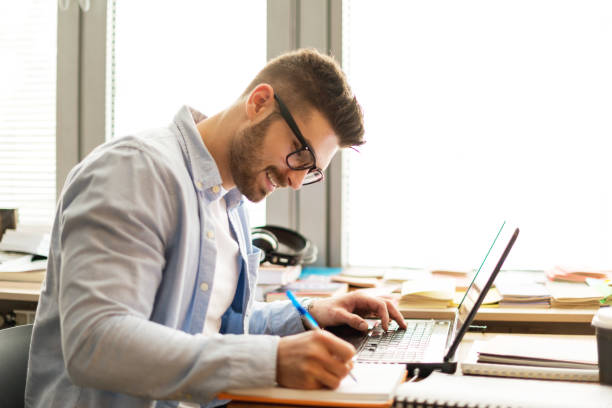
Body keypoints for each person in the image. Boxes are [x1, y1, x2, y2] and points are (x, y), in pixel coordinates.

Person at [25, 48, 406, 408]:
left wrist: (312, 313)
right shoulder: (135, 172)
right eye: (299, 154)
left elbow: (214, 327)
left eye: (311, 170)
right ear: (259, 103)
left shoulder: (230, 202)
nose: (294, 182)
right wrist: (269, 361)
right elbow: (96, 345)